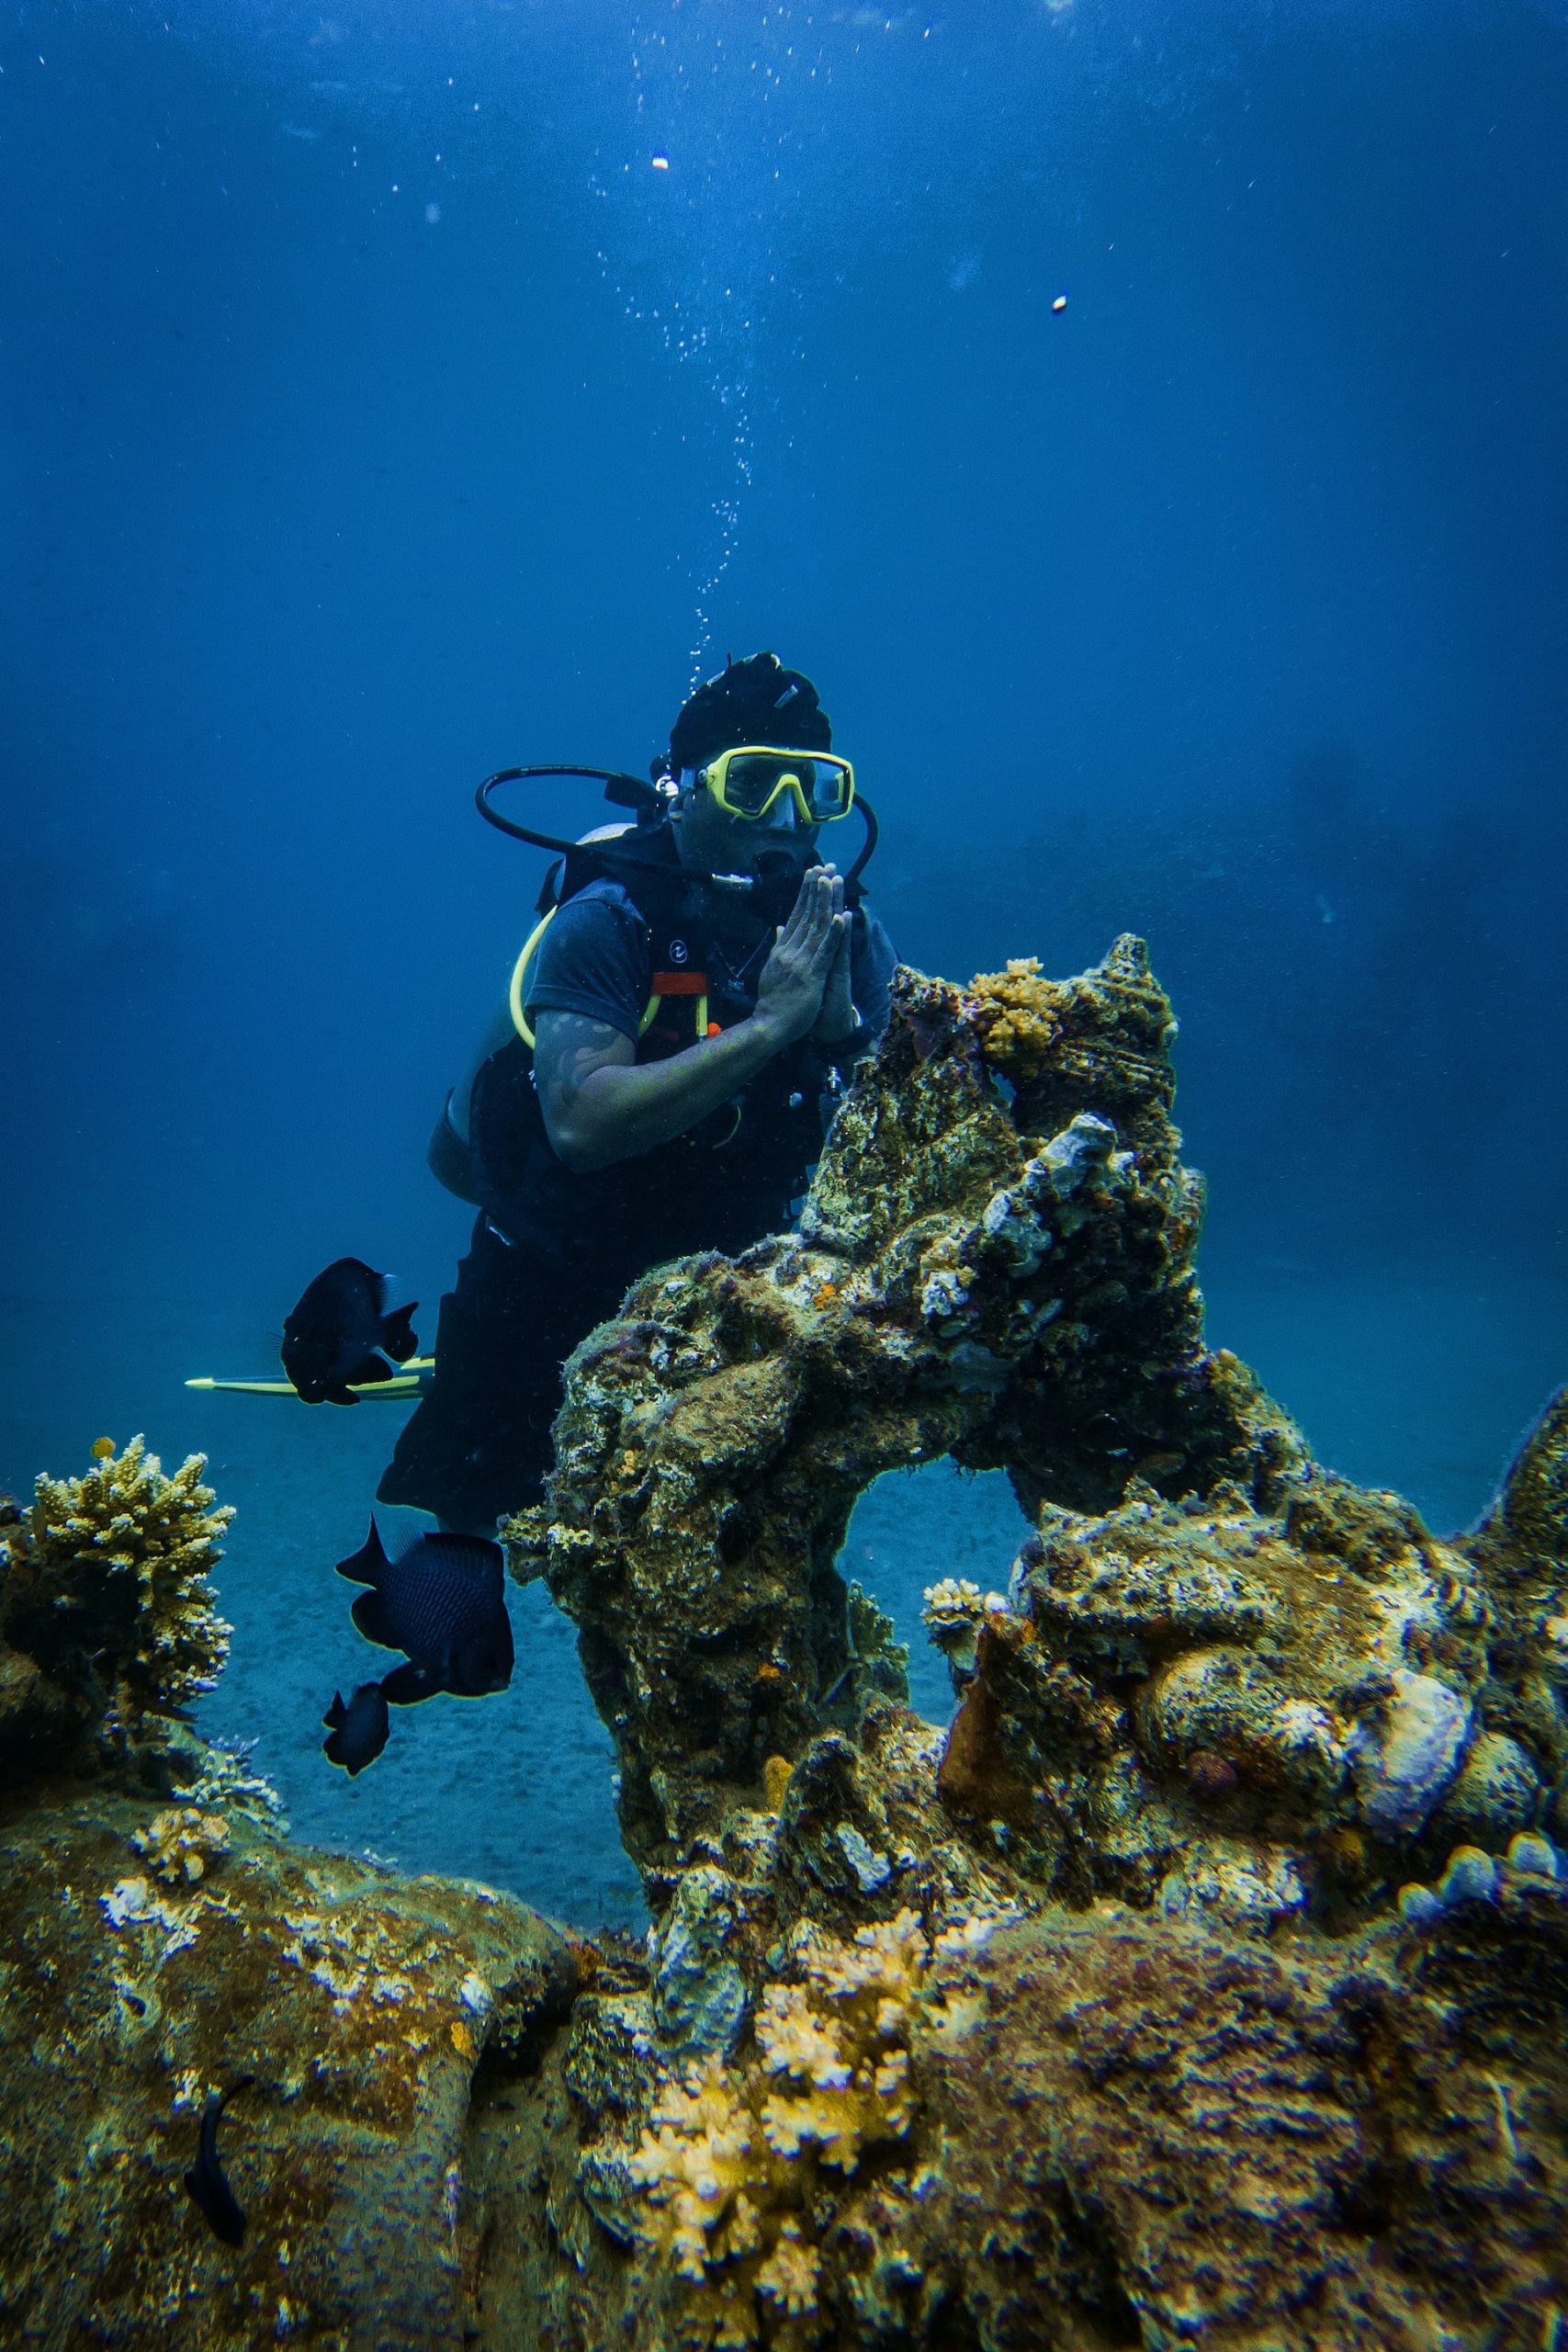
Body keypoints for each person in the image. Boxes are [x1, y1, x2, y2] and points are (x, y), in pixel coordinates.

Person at [378, 653, 897, 1534]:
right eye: (751, 785)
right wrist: (771, 1026)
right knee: (469, 1528)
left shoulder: (843, 931)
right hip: (558, 1260)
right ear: (685, 790)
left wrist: (841, 1034)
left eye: (814, 789)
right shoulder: (607, 920)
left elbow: (898, 1131)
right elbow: (581, 1126)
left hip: (731, 1274)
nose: (786, 818)